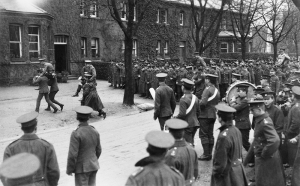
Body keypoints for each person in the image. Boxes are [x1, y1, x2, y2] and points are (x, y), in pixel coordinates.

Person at [2, 112, 60, 186]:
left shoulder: (11, 148)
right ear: (35, 127)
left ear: (22, 128)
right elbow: (54, 172)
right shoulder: (47, 146)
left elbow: (5, 176)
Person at [244, 95, 285, 186]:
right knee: (264, 180)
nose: (251, 112)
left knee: (267, 181)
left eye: (253, 110)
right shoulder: (260, 119)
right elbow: (257, 140)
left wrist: (264, 154)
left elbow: (275, 140)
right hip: (264, 157)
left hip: (267, 158)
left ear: (259, 108)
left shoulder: (265, 121)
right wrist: (246, 160)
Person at [211, 103, 248, 186]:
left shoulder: (223, 136)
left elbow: (220, 161)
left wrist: (216, 173)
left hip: (228, 174)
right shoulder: (236, 130)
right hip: (238, 170)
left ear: (220, 118)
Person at [66, 106, 102, 186]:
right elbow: (99, 150)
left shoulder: (76, 133)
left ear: (77, 117)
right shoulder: (94, 131)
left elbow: (72, 155)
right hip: (93, 166)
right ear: (89, 117)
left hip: (81, 169)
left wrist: (70, 169)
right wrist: (92, 160)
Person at [164, 119, 199, 185]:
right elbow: (196, 172)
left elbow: (168, 180)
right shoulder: (191, 148)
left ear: (170, 133)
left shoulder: (171, 155)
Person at [198, 74, 220, 161]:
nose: (205, 80)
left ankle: (206, 154)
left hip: (205, 115)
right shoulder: (216, 90)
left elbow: (203, 103)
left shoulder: (207, 90)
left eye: (206, 79)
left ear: (209, 80)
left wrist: (198, 104)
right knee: (210, 134)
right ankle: (210, 153)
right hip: (213, 114)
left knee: (203, 134)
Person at [176, 79, 200, 146]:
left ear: (183, 87)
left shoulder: (183, 99)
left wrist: (176, 118)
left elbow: (182, 114)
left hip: (187, 124)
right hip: (195, 123)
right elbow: (198, 112)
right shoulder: (196, 98)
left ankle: (191, 155)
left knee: (188, 143)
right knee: (191, 140)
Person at [229, 84, 251, 151]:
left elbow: (236, 108)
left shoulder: (245, 100)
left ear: (245, 92)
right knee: (238, 142)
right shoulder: (239, 99)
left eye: (240, 91)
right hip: (239, 124)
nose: (238, 93)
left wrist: (232, 101)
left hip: (244, 125)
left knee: (245, 143)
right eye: (238, 91)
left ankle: (253, 156)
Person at [284, 86, 300, 167]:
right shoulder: (296, 106)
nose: (291, 96)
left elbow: (296, 123)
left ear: (295, 96)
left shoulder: (295, 108)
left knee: (293, 152)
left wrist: (288, 131)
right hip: (295, 133)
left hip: (293, 134)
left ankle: (293, 167)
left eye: (292, 95)